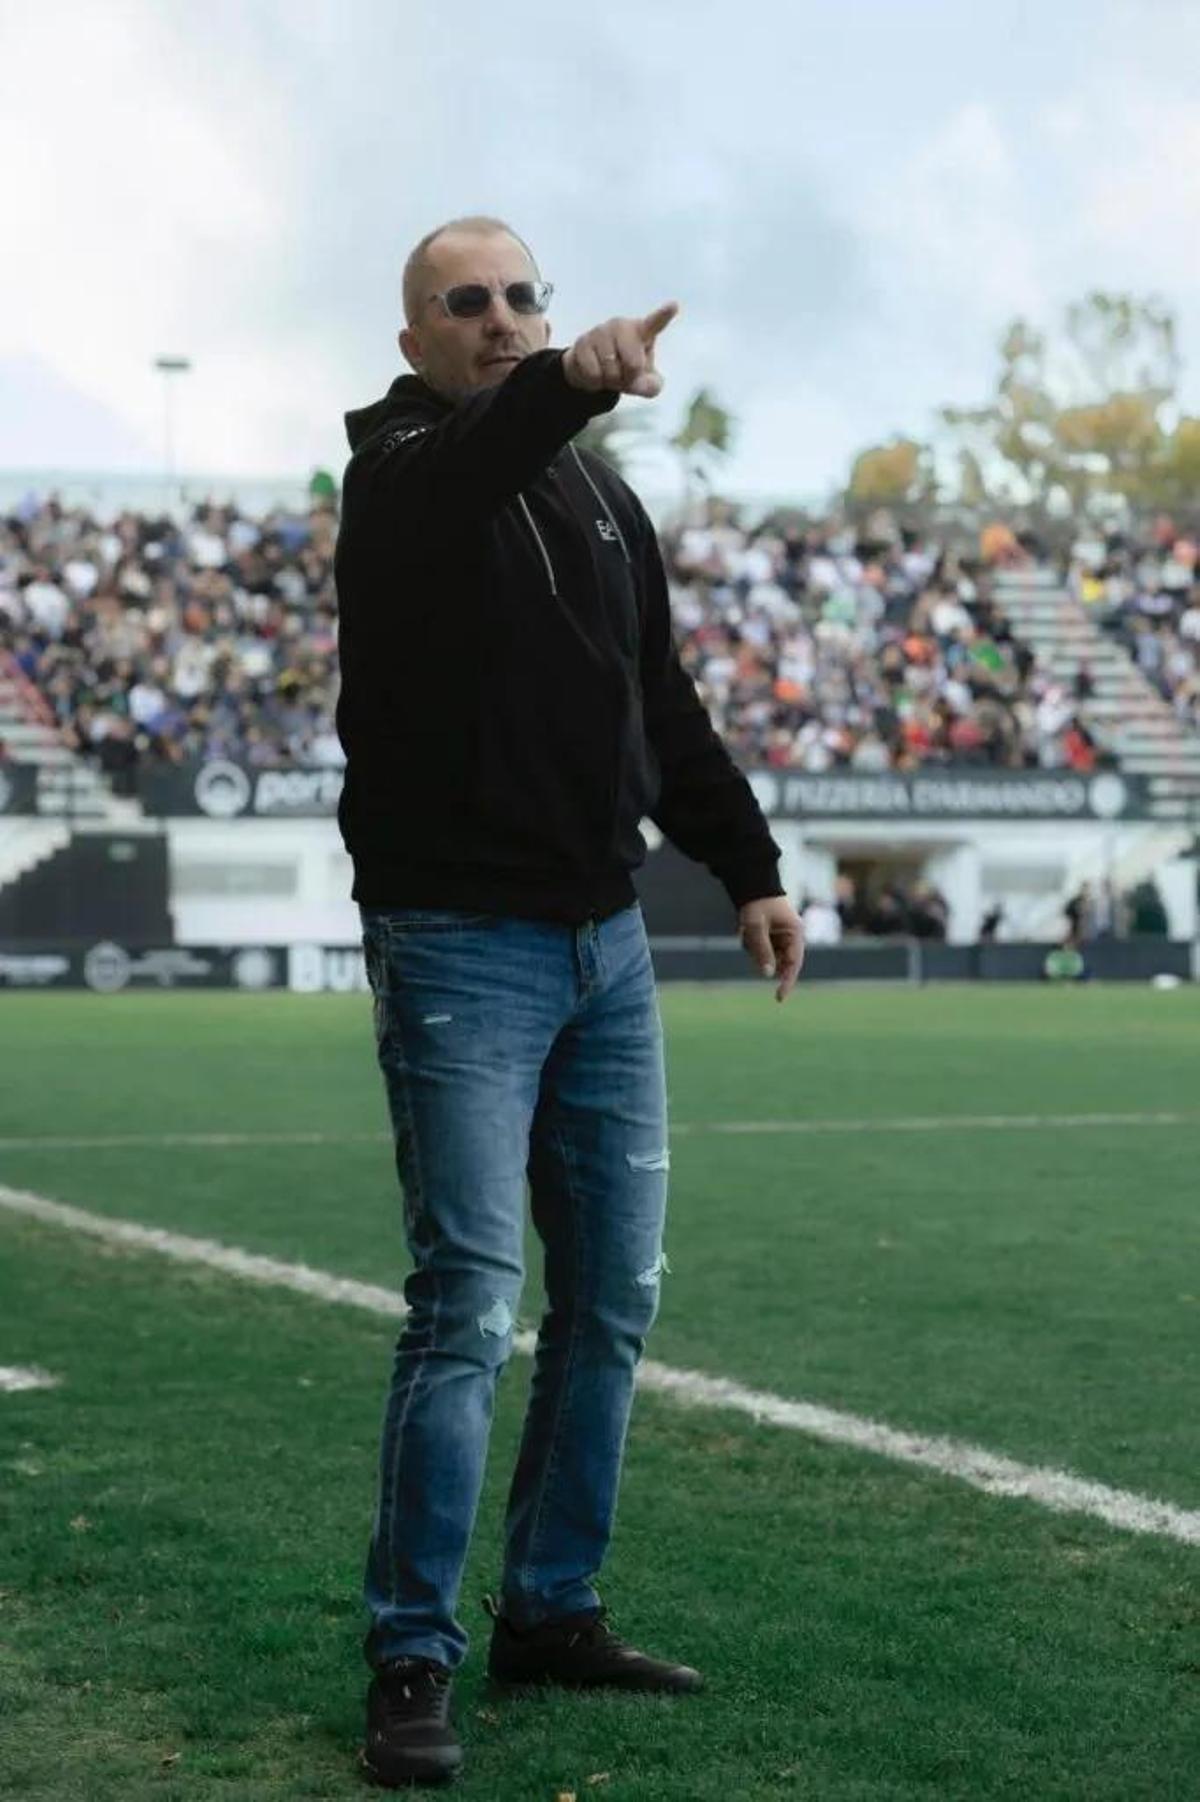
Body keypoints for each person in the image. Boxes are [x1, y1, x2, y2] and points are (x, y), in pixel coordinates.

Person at [333, 214, 805, 1790]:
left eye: (525, 299)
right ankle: (413, 1648)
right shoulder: (398, 474)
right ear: (416, 342)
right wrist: (576, 384)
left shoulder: (601, 500)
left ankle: (550, 1605)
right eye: (466, 304)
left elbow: (656, 705)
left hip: (605, 945)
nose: (504, 320)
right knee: (466, 1299)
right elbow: (466, 470)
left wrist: (747, 860)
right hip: (461, 942)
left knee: (610, 1295)